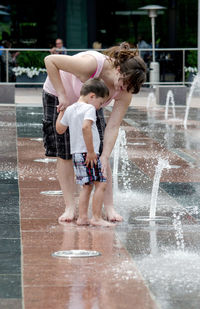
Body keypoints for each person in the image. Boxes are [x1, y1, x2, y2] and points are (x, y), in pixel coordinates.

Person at [43, 41, 146, 223]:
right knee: (65, 153)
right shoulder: (91, 64)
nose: (122, 90)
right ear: (119, 70)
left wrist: (105, 155)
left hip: (90, 102)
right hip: (60, 95)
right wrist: (62, 94)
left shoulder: (126, 89)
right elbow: (50, 60)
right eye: (123, 84)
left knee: (99, 155)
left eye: (128, 88)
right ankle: (70, 207)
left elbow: (113, 126)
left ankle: (110, 208)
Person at [56, 78, 114, 227]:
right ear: (92, 96)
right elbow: (86, 128)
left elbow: (60, 129)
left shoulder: (70, 109)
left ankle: (82, 218)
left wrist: (61, 111)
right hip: (87, 154)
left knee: (86, 185)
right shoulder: (89, 108)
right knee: (101, 183)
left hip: (76, 154)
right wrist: (91, 152)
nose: (99, 107)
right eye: (101, 103)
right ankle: (96, 217)